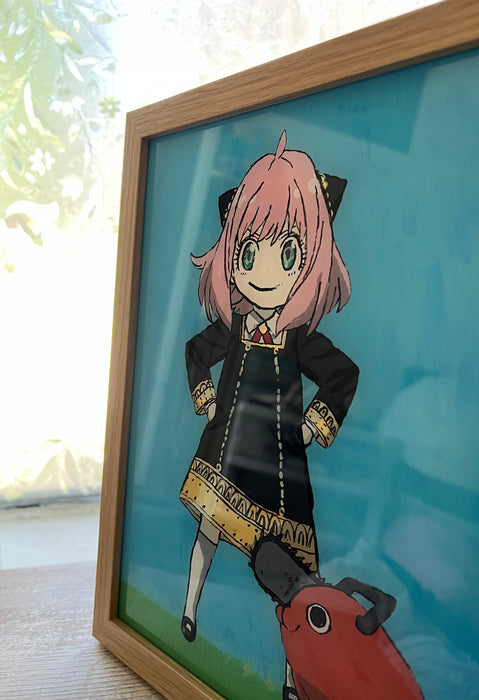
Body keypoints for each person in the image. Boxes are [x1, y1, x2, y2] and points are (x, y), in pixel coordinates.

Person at [179, 132, 359, 681]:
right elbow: (195, 352)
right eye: (248, 253)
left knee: (294, 579)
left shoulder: (298, 336)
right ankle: (188, 609)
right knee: (208, 531)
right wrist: (205, 395)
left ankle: (292, 676)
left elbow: (344, 373)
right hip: (229, 452)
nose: (262, 274)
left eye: (287, 255)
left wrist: (312, 424)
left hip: (280, 470)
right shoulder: (234, 325)